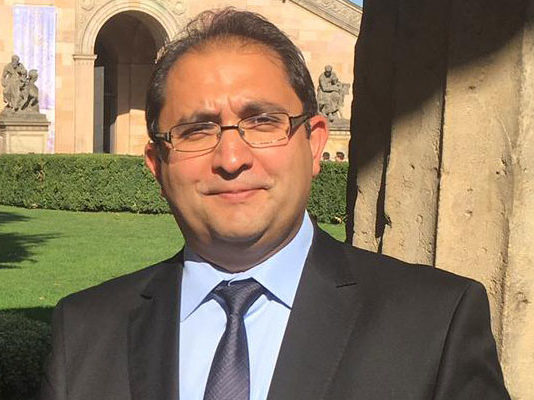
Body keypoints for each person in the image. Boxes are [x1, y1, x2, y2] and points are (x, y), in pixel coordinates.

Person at [40, 8, 509, 400]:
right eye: (196, 130)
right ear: (157, 165)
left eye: (263, 122)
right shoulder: (83, 332)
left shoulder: (435, 324)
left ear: (314, 143)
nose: (231, 159)